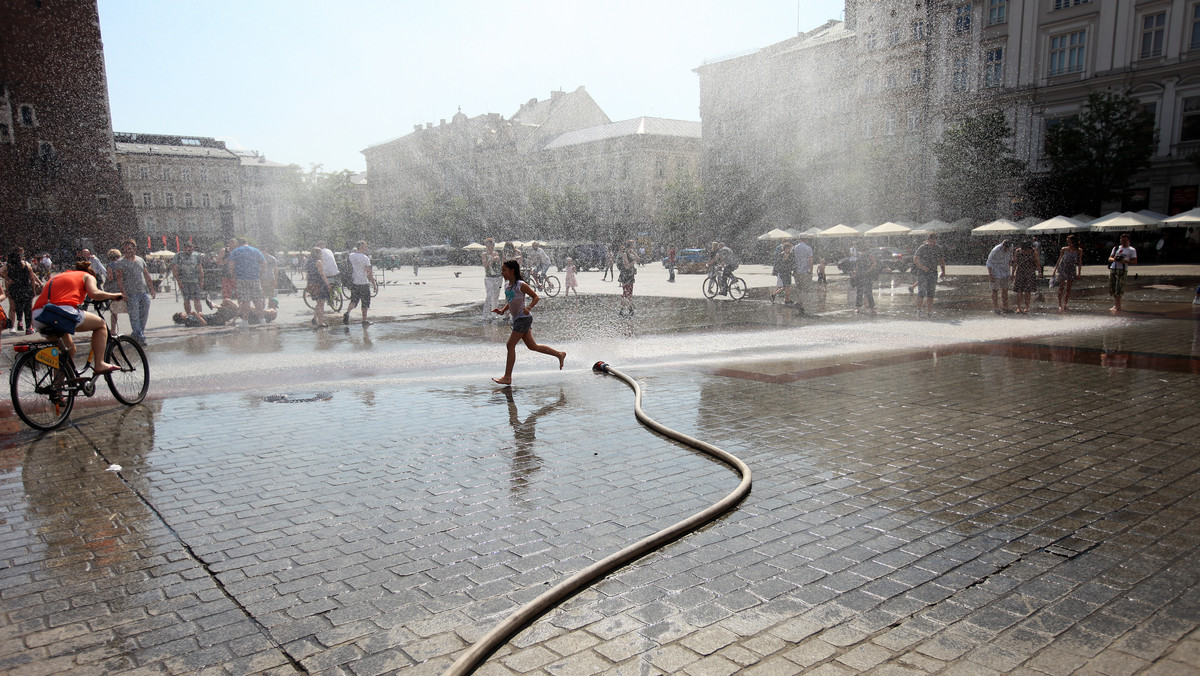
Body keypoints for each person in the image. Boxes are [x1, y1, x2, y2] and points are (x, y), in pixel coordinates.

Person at [30, 264, 123, 376]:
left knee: (69, 350)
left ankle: (57, 389)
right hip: (59, 313)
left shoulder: (59, 276)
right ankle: (100, 364)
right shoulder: (88, 276)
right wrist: (113, 296)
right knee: (101, 325)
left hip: (39, 315)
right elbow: (95, 294)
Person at [491, 260, 565, 385]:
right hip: (518, 319)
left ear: (512, 271)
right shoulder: (508, 285)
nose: (502, 272)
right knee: (533, 346)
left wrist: (529, 307)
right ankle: (559, 354)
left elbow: (536, 297)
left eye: (504, 270)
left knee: (510, 345)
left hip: (523, 319)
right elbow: (511, 301)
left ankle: (507, 377)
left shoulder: (521, 284)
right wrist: (502, 311)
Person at [112, 239, 155, 344]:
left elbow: (146, 275)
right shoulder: (120, 262)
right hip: (131, 293)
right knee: (134, 316)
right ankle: (140, 336)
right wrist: (123, 293)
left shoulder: (140, 260)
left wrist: (152, 289)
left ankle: (138, 334)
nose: (128, 251)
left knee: (144, 315)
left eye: (130, 248)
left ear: (135, 249)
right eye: (126, 249)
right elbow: (119, 278)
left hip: (143, 292)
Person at [3, 249, 39, 335]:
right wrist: (33, 290)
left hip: (15, 290)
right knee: (28, 308)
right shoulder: (26, 265)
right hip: (26, 289)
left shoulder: (9, 267)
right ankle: (28, 328)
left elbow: (0, 272)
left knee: (18, 306)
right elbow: (32, 279)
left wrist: (8, 279)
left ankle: (19, 322)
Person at [343, 240, 377, 325]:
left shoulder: (351, 256)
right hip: (363, 282)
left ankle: (347, 312)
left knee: (353, 300)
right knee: (365, 302)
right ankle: (364, 320)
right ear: (361, 247)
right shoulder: (365, 258)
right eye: (365, 246)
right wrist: (374, 284)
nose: (367, 248)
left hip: (354, 282)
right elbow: (369, 273)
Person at [913, 233, 946, 318]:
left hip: (933, 272)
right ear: (927, 240)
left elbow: (942, 260)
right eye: (931, 241)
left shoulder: (938, 248)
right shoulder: (922, 248)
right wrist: (923, 267)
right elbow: (915, 259)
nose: (932, 243)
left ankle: (930, 311)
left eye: (934, 241)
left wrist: (943, 271)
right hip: (922, 273)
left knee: (931, 293)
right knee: (921, 292)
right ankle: (919, 310)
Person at [171, 241, 205, 316]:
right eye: (188, 250)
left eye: (192, 249)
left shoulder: (196, 255)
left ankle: (200, 315)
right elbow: (175, 269)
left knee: (197, 299)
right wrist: (178, 281)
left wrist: (202, 280)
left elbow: (200, 268)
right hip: (184, 281)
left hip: (195, 280)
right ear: (184, 249)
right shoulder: (178, 256)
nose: (190, 251)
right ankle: (189, 315)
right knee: (186, 299)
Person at [1108, 233, 1137, 313]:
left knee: (1119, 287)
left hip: (1122, 269)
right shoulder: (1116, 248)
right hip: (1113, 268)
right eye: (1122, 240)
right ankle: (1116, 304)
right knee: (1112, 287)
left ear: (1128, 241)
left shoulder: (1131, 250)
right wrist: (1114, 259)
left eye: (1125, 240)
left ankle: (1118, 306)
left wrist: (1124, 261)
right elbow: (1109, 258)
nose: (1123, 242)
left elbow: (1135, 261)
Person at [1053, 234, 1083, 312]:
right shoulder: (1064, 249)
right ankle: (1060, 304)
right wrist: (1054, 271)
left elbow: (1079, 262)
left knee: (1068, 289)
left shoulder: (1079, 250)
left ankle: (1065, 304)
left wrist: (1079, 273)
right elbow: (1059, 260)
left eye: (1069, 241)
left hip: (1071, 269)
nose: (1068, 243)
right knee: (1061, 287)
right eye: (1067, 241)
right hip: (1063, 268)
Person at [1011, 238, 1041, 314]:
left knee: (1028, 291)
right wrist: (1012, 274)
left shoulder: (1034, 251)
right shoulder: (1017, 251)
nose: (1026, 252)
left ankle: (1027, 307)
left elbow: (1037, 262)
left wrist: (1040, 272)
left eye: (1028, 250)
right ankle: (1019, 307)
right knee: (1019, 291)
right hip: (1020, 273)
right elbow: (1015, 263)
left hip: (1030, 273)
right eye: (1025, 250)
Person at [305, 246, 331, 327]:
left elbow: (308, 274)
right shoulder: (318, 262)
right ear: (318, 254)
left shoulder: (308, 262)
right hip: (318, 283)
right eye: (320, 253)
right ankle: (321, 322)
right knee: (321, 304)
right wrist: (327, 284)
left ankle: (314, 318)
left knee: (318, 302)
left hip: (311, 283)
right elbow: (322, 274)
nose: (321, 254)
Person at [986, 240, 1014, 314]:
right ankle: (996, 307)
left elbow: (1010, 260)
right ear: (1002, 245)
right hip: (995, 271)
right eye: (1005, 248)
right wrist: (990, 275)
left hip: (1005, 271)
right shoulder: (996, 250)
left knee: (1005, 289)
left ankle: (1005, 307)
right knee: (995, 289)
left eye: (1007, 248)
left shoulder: (1011, 248)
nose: (1006, 249)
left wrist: (1010, 271)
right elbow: (989, 262)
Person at [102, 249, 125, 333]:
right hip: (121, 287)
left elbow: (110, 278)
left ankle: (113, 329)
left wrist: (107, 276)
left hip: (113, 288)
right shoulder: (122, 263)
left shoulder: (110, 265)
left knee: (114, 311)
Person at [482, 238, 503, 321]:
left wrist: (497, 259)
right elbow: (485, 265)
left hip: (498, 277)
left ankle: (494, 313)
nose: (490, 246)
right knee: (489, 295)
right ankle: (485, 314)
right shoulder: (484, 254)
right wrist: (492, 259)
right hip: (489, 278)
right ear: (486, 246)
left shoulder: (496, 253)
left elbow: (499, 264)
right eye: (488, 245)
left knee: (496, 296)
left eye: (492, 245)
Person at [852, 247, 878, 314]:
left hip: (866, 275)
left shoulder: (868, 255)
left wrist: (869, 271)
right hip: (862, 275)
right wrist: (856, 272)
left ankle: (870, 308)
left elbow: (874, 262)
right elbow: (857, 265)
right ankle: (860, 308)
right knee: (861, 292)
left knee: (867, 292)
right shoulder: (861, 255)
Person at [792, 237, 815, 312]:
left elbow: (791, 259)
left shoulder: (794, 248)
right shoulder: (808, 248)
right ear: (806, 240)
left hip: (796, 271)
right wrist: (811, 271)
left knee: (798, 287)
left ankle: (799, 301)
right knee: (805, 288)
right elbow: (810, 260)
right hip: (805, 271)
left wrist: (793, 270)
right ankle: (801, 303)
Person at [617, 239, 639, 316]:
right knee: (625, 293)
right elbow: (626, 266)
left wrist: (634, 253)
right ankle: (622, 309)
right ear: (631, 245)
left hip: (630, 275)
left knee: (630, 292)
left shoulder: (631, 253)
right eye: (633, 244)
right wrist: (633, 263)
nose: (634, 246)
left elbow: (638, 259)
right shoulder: (624, 254)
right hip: (625, 275)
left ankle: (629, 308)